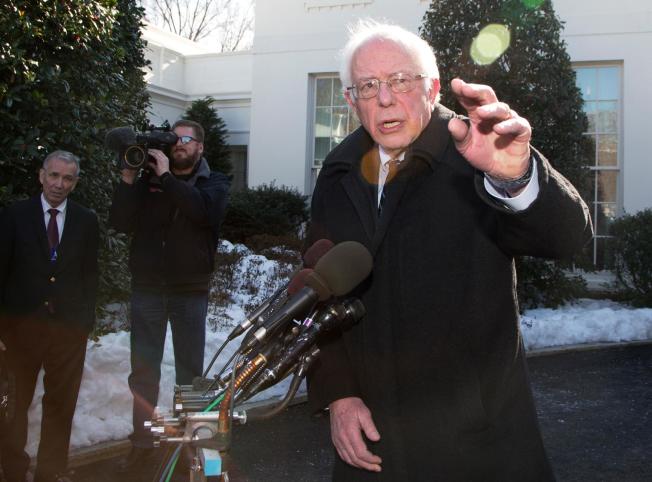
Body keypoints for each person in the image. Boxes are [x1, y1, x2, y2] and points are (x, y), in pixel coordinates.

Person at [306, 21, 592, 481]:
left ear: (433, 87)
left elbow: (567, 238)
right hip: (373, 443)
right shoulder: (337, 174)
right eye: (369, 85)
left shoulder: (478, 151)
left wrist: (515, 178)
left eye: (401, 80)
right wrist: (338, 395)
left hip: (477, 440)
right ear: (350, 100)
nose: (384, 98)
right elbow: (321, 298)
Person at [109, 119, 230, 471]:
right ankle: (143, 442)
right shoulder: (148, 181)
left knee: (190, 375)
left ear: (200, 147)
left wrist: (166, 179)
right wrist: (129, 180)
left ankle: (189, 445)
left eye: (187, 138)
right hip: (148, 288)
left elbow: (204, 212)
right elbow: (120, 222)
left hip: (189, 292)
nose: (179, 143)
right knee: (143, 372)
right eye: (174, 138)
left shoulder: (215, 182)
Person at [0, 151, 100, 482]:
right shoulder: (15, 215)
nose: (59, 184)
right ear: (41, 176)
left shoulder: (86, 220)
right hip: (20, 329)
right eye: (54, 176)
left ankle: (50, 471)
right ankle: (13, 470)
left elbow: (89, 275)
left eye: (68, 178)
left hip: (68, 331)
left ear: (75, 182)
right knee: (14, 406)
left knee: (60, 405)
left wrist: (84, 322)